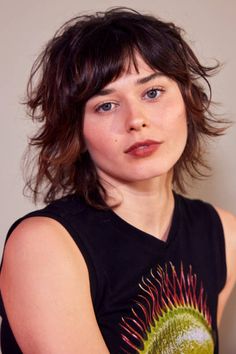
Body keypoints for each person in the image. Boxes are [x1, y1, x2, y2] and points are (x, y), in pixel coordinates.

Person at [0, 7, 235, 354]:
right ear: (76, 129)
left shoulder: (223, 233)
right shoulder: (45, 246)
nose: (136, 120)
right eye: (106, 105)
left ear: (187, 100)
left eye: (153, 92)